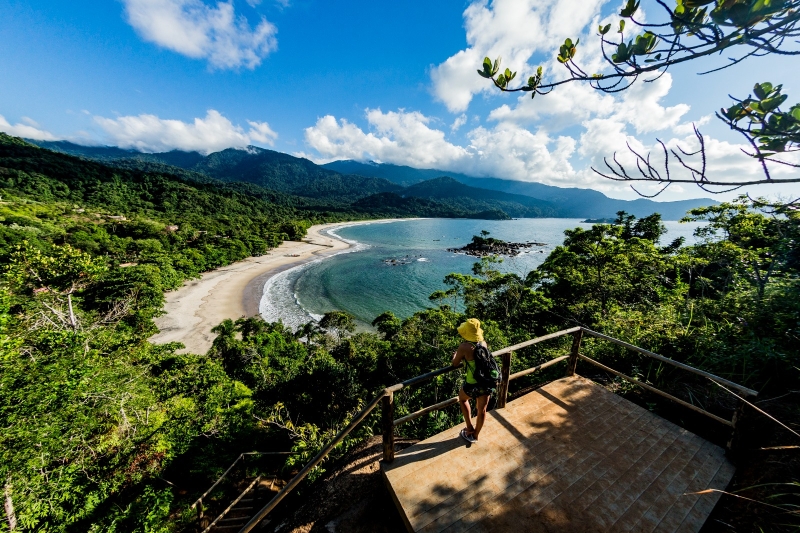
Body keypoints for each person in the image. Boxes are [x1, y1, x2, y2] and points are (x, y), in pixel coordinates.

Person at [451, 318, 493, 444]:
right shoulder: (483, 343)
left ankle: (469, 428)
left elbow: (454, 363)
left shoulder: (464, 347)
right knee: (482, 410)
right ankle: (475, 435)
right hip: (487, 382)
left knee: (463, 399)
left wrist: (455, 355)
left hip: (473, 384)